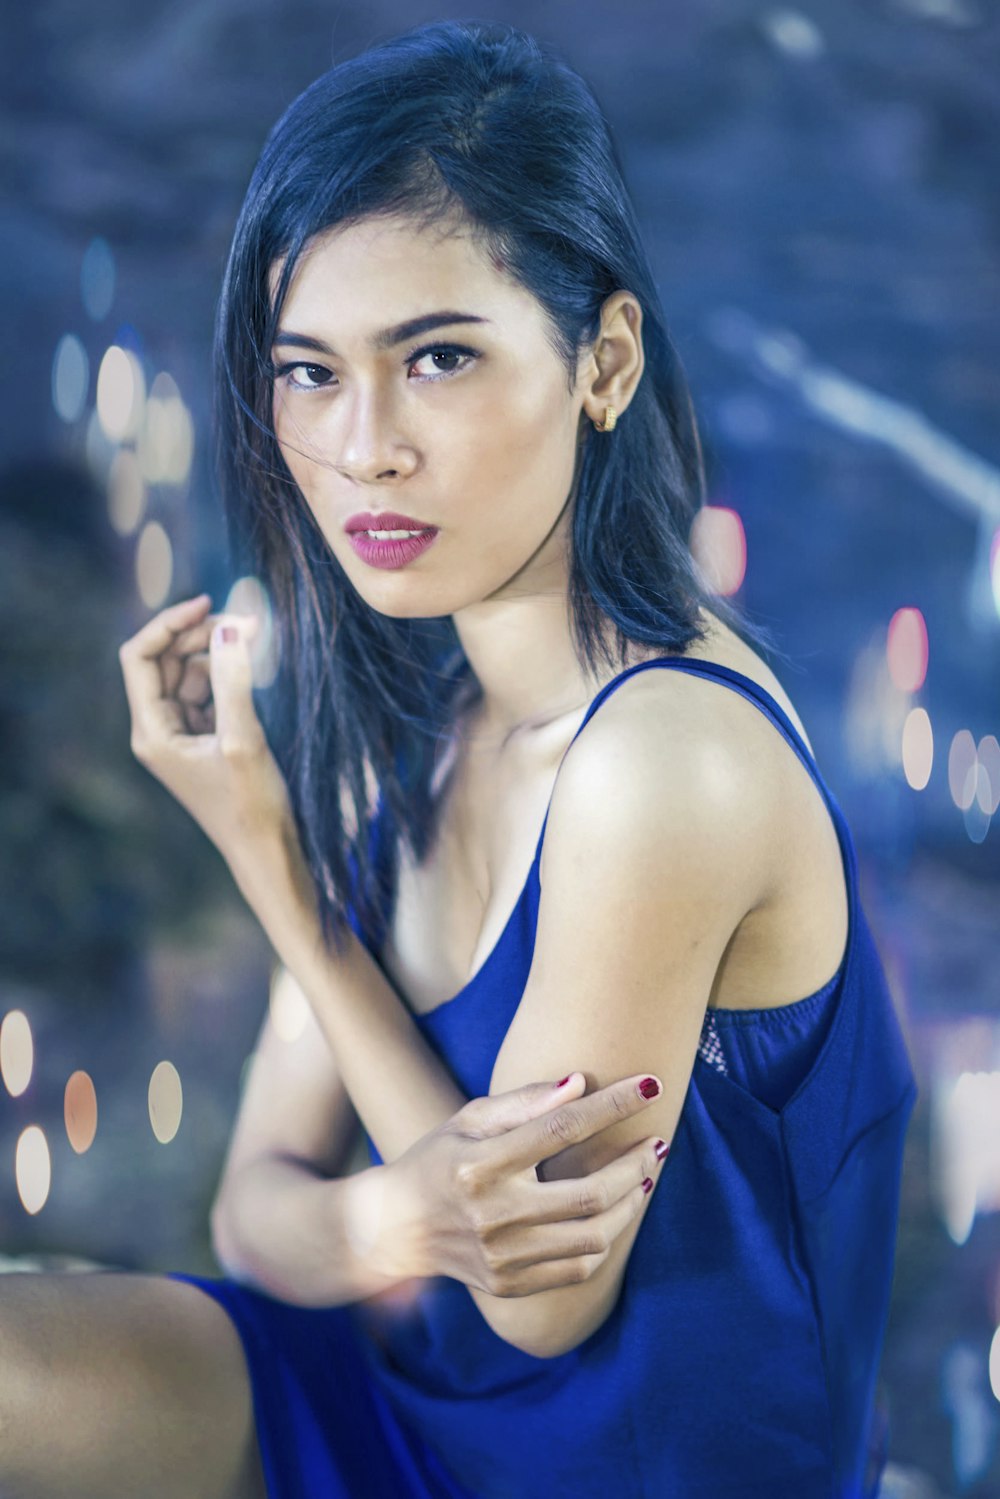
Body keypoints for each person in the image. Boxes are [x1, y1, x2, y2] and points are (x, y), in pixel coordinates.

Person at [0, 19, 917, 1499]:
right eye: (308, 372)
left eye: (435, 357)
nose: (363, 448)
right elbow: (254, 1217)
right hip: (383, 1413)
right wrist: (395, 1222)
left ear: (603, 361)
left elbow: (537, 1297)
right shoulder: (416, 719)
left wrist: (276, 877)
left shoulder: (666, 759)